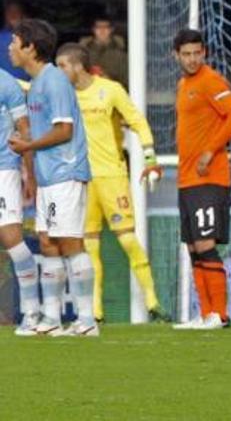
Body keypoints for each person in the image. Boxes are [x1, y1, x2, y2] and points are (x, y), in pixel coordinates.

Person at [55, 43, 169, 323]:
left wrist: (150, 157)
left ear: (77, 66)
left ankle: (152, 301)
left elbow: (138, 121)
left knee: (127, 240)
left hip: (112, 176)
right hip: (81, 179)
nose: (59, 73)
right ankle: (96, 311)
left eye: (62, 67)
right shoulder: (64, 96)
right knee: (89, 245)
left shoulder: (110, 90)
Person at [8, 19, 96, 336]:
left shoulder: (55, 80)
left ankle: (86, 320)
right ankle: (52, 317)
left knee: (70, 242)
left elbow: (64, 130)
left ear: (30, 47)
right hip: (48, 178)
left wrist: (28, 145)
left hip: (65, 171)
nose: (9, 48)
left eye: (14, 42)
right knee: (48, 243)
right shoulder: (37, 83)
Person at [170, 29, 231, 330]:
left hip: (208, 177)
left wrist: (210, 151)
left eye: (196, 53)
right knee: (192, 247)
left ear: (204, 53)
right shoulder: (183, 84)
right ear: (176, 55)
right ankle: (205, 314)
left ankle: (220, 314)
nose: (192, 59)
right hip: (187, 179)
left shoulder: (210, 80)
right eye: (186, 54)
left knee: (204, 244)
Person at [0, 66, 40, 335]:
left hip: (3, 168)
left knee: (11, 239)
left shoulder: (6, 83)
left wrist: (31, 175)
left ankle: (32, 311)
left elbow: (25, 130)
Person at [79, 16, 128, 86]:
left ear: (111, 29)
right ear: (93, 29)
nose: (102, 30)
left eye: (106, 27)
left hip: (113, 93)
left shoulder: (121, 54)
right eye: (98, 27)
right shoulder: (83, 53)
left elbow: (127, 81)